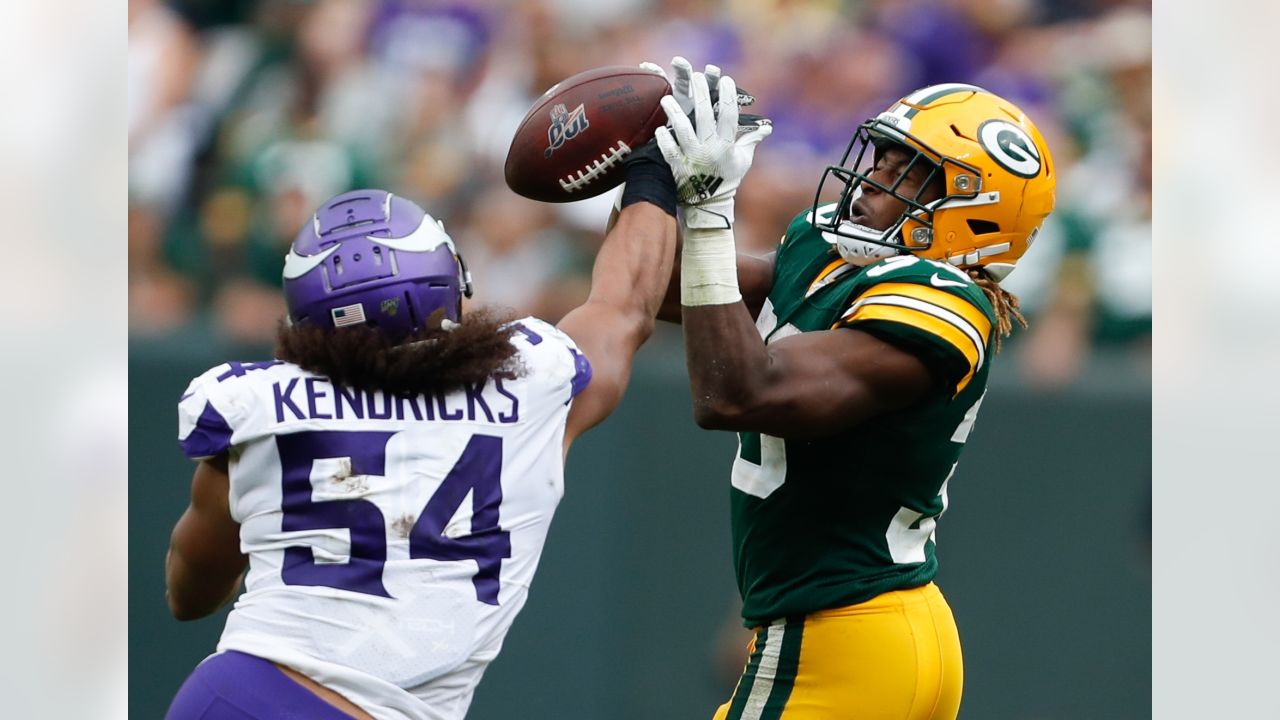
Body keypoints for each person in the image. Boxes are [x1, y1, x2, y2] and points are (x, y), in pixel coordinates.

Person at [163, 174, 678, 716]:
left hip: (240, 695)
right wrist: (653, 175)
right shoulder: (531, 382)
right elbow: (623, 305)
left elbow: (189, 591)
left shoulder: (254, 406)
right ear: (448, 282)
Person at [647, 59, 1055, 719]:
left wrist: (711, 212)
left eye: (908, 173)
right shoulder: (833, 253)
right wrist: (643, 174)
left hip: (842, 641)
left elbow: (735, 392)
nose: (873, 181)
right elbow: (669, 287)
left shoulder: (943, 301)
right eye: (883, 157)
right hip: (865, 632)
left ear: (975, 214)